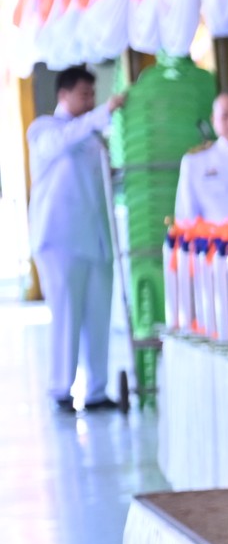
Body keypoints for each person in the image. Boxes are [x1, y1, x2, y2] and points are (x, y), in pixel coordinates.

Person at [28, 66, 126, 412]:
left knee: (98, 318)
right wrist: (103, 113)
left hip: (96, 240)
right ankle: (61, 388)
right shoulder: (45, 130)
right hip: (61, 241)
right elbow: (63, 140)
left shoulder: (93, 138)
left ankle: (97, 390)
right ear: (63, 95)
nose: (90, 101)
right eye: (84, 94)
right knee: (66, 316)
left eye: (93, 95)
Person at [174, 91, 228, 223]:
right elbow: (186, 218)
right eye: (225, 116)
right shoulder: (195, 162)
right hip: (213, 237)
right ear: (213, 120)